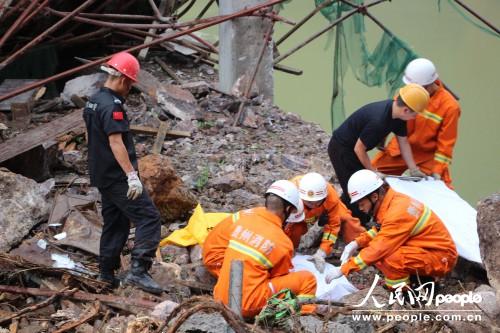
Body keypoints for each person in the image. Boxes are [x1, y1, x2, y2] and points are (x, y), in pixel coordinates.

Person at [83, 52, 163, 294]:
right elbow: (116, 143)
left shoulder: (93, 100)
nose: (129, 89)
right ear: (124, 80)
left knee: (115, 223)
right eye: (130, 84)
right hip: (117, 177)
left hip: (102, 175)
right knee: (149, 217)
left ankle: (106, 275)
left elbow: (89, 137)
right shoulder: (112, 106)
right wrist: (131, 176)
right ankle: (139, 271)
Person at [325, 169, 457, 289]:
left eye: (361, 204)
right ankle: (418, 280)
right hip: (429, 250)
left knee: (389, 257)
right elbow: (380, 229)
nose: (360, 209)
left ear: (374, 197)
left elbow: (379, 248)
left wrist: (343, 269)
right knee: (382, 253)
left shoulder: (397, 212)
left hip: (442, 258)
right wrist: (357, 243)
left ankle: (404, 293)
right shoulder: (392, 201)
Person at [328, 83, 430, 224]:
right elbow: (359, 149)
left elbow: (404, 143)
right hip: (342, 149)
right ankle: (347, 223)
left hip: (352, 149)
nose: (415, 117)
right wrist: (373, 172)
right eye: (415, 114)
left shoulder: (397, 116)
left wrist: (414, 169)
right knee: (360, 190)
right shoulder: (379, 121)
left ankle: (337, 214)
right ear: (406, 110)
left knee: (357, 188)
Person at [213, 180, 317, 318]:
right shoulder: (282, 241)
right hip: (247, 304)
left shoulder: (243, 222)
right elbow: (279, 277)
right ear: (288, 209)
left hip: (219, 297)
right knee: (308, 279)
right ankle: (299, 318)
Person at [372, 58, 461, 188]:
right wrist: (382, 136)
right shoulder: (410, 91)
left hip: (427, 157)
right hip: (400, 147)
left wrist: (437, 172)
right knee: (371, 176)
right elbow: (393, 114)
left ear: (428, 85)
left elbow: (445, 145)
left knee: (442, 191)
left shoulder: (449, 107)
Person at [203, 199, 305, 278]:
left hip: (215, 250)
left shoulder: (263, 213)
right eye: (290, 224)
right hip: (217, 261)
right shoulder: (266, 228)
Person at [286, 172, 365, 273]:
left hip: (323, 207)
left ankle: (365, 247)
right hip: (300, 211)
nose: (314, 205)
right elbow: (284, 225)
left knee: (346, 219)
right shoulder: (290, 194)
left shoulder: (330, 196)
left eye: (317, 202)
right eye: (310, 202)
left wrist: (322, 252)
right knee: (295, 228)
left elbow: (333, 226)